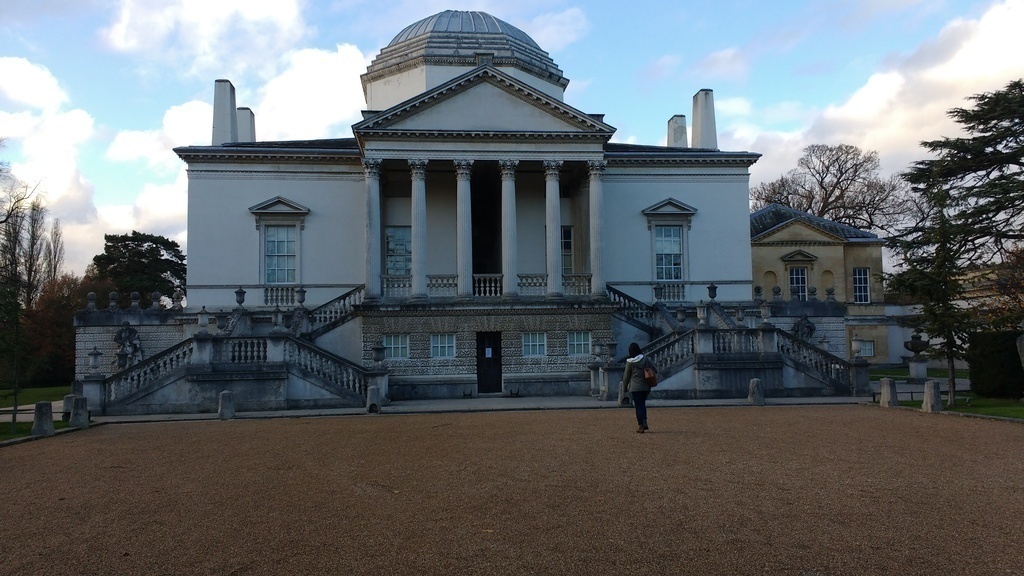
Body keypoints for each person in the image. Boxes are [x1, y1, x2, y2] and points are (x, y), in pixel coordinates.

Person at [621, 342, 655, 433]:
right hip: (645, 385)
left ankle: (641, 425)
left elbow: (626, 376)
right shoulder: (645, 359)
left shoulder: (630, 362)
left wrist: (624, 387)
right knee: (642, 404)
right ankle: (645, 421)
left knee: (638, 406)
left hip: (635, 387)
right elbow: (654, 369)